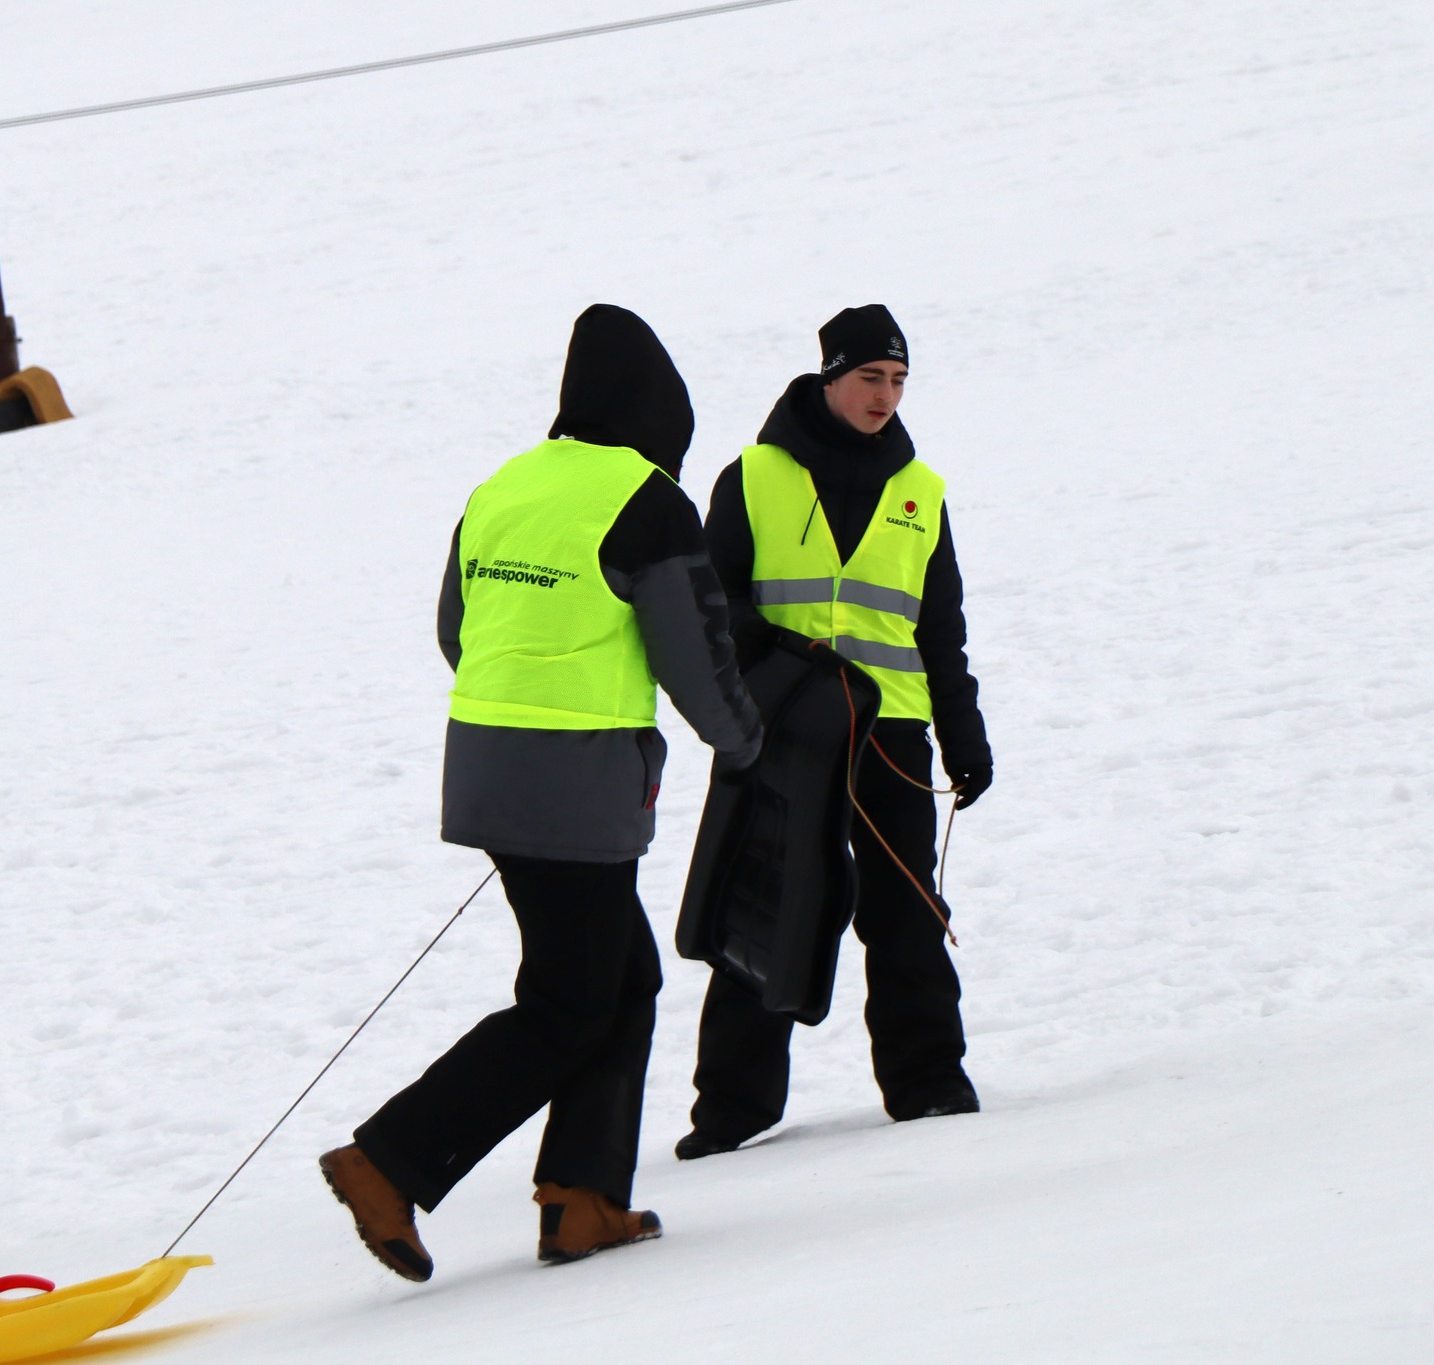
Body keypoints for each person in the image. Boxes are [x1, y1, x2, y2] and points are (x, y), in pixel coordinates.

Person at [319, 305, 763, 1281]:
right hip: (579, 781)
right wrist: (743, 743)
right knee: (569, 1002)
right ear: (660, 417)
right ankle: (387, 1162)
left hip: (487, 767)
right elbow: (695, 655)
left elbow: (456, 628)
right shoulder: (645, 502)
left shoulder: (502, 487)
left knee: (619, 980)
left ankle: (583, 1199)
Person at [677, 305, 992, 1160]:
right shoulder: (752, 475)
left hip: (892, 733)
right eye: (869, 378)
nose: (885, 396)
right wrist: (782, 663)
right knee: (763, 912)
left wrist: (964, 736)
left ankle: (929, 1084)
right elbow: (713, 607)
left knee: (907, 910)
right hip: (787, 733)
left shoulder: (921, 492)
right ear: (830, 377)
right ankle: (732, 1110)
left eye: (897, 381)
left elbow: (940, 628)